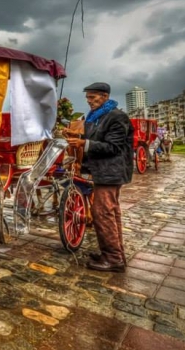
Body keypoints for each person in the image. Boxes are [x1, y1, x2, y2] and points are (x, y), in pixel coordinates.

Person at [64, 82, 134, 272]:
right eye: (87, 97)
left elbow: (113, 147)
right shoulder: (97, 117)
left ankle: (113, 259)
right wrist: (75, 136)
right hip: (103, 170)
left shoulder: (116, 116)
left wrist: (83, 144)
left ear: (104, 96)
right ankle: (115, 253)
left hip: (111, 171)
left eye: (92, 97)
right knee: (111, 212)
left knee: (102, 213)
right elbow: (94, 139)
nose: (89, 101)